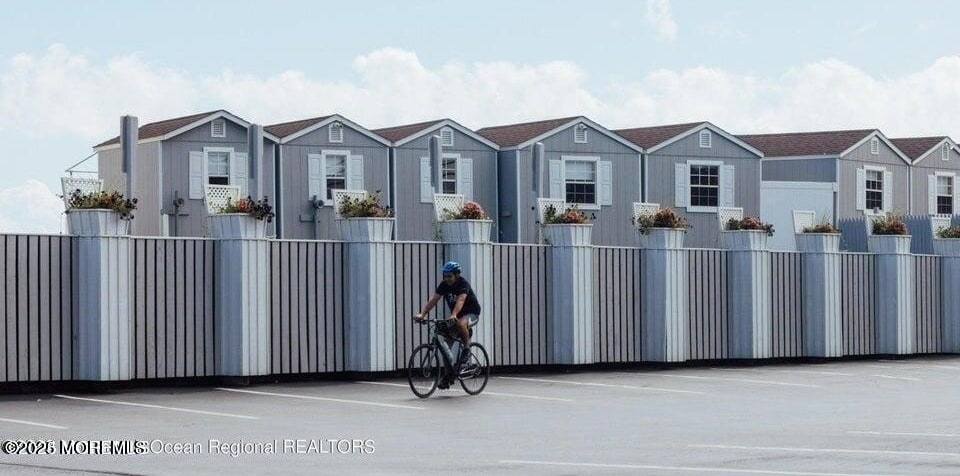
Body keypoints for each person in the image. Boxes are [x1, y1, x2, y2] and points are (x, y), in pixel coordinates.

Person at [414, 261, 481, 383]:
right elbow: (434, 299)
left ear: (457, 275)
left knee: (461, 323)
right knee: (445, 348)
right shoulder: (444, 285)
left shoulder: (463, 284)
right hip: (456, 317)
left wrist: (454, 314)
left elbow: (461, 300)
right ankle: (448, 376)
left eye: (449, 276)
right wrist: (422, 314)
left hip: (472, 313)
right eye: (445, 276)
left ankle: (466, 350)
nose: (447, 279)